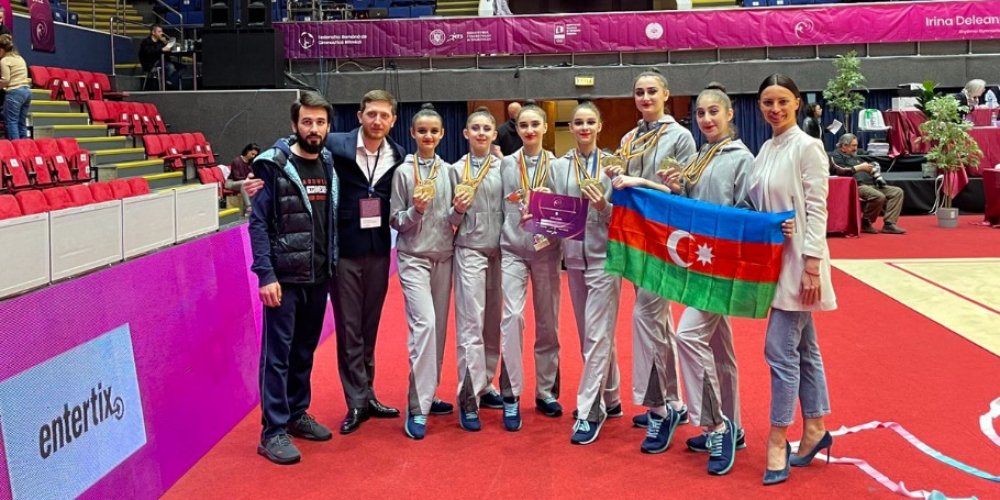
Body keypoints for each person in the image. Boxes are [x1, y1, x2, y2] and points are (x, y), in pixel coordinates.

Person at [744, 74, 836, 486]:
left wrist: (812, 263)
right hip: (775, 261)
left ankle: (778, 438)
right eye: (768, 102)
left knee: (779, 351)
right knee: (804, 349)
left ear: (798, 102)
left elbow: (817, 208)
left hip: (801, 262)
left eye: (783, 101)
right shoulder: (766, 148)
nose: (775, 109)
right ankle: (815, 427)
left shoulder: (808, 147)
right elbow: (758, 203)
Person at [604, 69, 695, 454]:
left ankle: (659, 408)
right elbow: (620, 185)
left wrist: (641, 182)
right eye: (639, 92)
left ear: (666, 94)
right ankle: (674, 401)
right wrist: (614, 175)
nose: (645, 97)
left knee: (645, 318)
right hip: (635, 238)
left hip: (666, 239)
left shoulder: (680, 137)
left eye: (652, 91)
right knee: (658, 321)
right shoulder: (629, 138)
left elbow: (686, 190)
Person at [247, 91, 338, 465]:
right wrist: (265, 274)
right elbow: (258, 223)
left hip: (318, 276)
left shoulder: (328, 162)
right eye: (307, 122)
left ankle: (297, 413)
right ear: (294, 124)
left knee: (303, 352)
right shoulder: (272, 165)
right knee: (278, 357)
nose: (314, 129)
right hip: (283, 279)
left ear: (328, 126)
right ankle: (272, 431)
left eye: (320, 122)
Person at [325, 90, 406, 434]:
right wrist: (262, 173)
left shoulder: (398, 155)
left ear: (393, 121)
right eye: (371, 114)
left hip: (378, 250)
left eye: (384, 115)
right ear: (359, 116)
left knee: (368, 327)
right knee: (349, 328)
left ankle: (367, 393)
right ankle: (355, 400)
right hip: (344, 249)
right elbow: (291, 146)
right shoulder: (334, 143)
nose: (377, 120)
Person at [551, 102, 623, 445]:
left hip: (605, 259)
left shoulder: (612, 166)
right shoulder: (559, 167)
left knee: (596, 335)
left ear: (599, 126)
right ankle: (612, 395)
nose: (583, 127)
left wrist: (602, 206)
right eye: (578, 122)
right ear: (571, 127)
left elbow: (622, 217)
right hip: (574, 260)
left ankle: (590, 410)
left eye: (590, 121)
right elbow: (554, 212)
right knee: (590, 334)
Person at [389, 104, 456, 440]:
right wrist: (415, 210)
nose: (428, 136)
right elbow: (395, 220)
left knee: (439, 329)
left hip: (444, 257)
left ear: (442, 134)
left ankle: (431, 392)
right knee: (424, 326)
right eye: (422, 131)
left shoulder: (451, 172)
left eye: (433, 131)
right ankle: (417, 406)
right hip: (413, 257)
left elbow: (455, 219)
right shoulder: (403, 173)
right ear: (412, 134)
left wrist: (461, 211)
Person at [497, 103, 562, 431]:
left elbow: (569, 212)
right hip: (512, 250)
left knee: (548, 323)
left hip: (547, 252)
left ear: (545, 127)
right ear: (517, 129)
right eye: (524, 125)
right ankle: (510, 393)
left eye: (535, 124)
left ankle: (546, 391)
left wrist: (550, 203)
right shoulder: (505, 164)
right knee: (512, 318)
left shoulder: (558, 166)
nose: (530, 130)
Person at [450, 107, 505, 431]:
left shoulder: (506, 168)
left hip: (501, 252)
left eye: (487, 128)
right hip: (469, 250)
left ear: (494, 134)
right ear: (466, 134)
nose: (481, 133)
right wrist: (457, 210)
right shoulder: (455, 171)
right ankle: (468, 396)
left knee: (493, 324)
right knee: (471, 324)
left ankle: (486, 383)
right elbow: (446, 219)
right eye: (476, 128)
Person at [829, 133, 906, 234]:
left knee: (897, 192)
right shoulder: (835, 156)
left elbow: (870, 169)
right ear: (844, 146)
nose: (856, 148)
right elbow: (840, 171)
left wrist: (876, 176)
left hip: (871, 184)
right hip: (856, 186)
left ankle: (889, 224)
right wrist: (859, 167)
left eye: (856, 145)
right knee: (879, 196)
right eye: (853, 146)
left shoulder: (855, 157)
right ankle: (866, 222)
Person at [0, 34, 31, 140]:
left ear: (2, 49)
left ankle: (15, 148)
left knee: (11, 122)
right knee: (21, 123)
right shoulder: (20, 58)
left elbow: (5, 80)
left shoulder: (4, 61)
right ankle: (25, 148)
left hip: (14, 93)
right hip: (26, 92)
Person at [138, 24, 184, 90]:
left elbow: (165, 53)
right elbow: (149, 52)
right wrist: (161, 49)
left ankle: (169, 81)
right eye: (159, 31)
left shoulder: (160, 42)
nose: (161, 33)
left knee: (182, 67)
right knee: (170, 66)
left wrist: (169, 48)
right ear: (153, 32)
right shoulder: (146, 42)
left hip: (163, 61)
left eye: (161, 31)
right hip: (152, 64)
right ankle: (168, 84)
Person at [227, 143, 260, 211]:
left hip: (244, 181)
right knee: (244, 183)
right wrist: (248, 177)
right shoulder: (237, 161)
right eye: (252, 154)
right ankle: (248, 207)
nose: (253, 156)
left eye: (255, 155)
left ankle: (257, 205)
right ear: (247, 151)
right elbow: (236, 177)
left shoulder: (251, 162)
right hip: (231, 182)